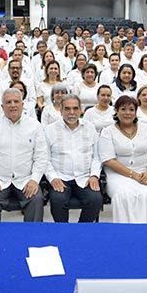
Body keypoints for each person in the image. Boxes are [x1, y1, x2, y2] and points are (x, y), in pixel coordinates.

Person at [0, 88, 48, 222]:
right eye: (8, 102)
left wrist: (34, 180)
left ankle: (32, 240)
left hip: (26, 180)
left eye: (16, 101)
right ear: (2, 106)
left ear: (23, 104)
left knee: (37, 199)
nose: (12, 105)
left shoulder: (34, 126)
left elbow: (41, 156)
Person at [98, 96, 147, 223]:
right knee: (124, 196)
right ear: (116, 112)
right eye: (123, 109)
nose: (127, 113)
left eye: (131, 109)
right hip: (117, 174)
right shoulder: (108, 132)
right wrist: (133, 175)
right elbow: (109, 160)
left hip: (145, 172)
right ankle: (126, 234)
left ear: (136, 112)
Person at [45, 95, 103, 223]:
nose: (71, 113)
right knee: (58, 201)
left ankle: (81, 230)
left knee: (96, 200)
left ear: (81, 110)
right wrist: (53, 178)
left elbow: (96, 156)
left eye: (75, 108)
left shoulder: (90, 128)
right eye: (67, 109)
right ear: (61, 110)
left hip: (85, 177)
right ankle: (63, 232)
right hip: (61, 178)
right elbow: (45, 159)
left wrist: (94, 175)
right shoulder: (50, 130)